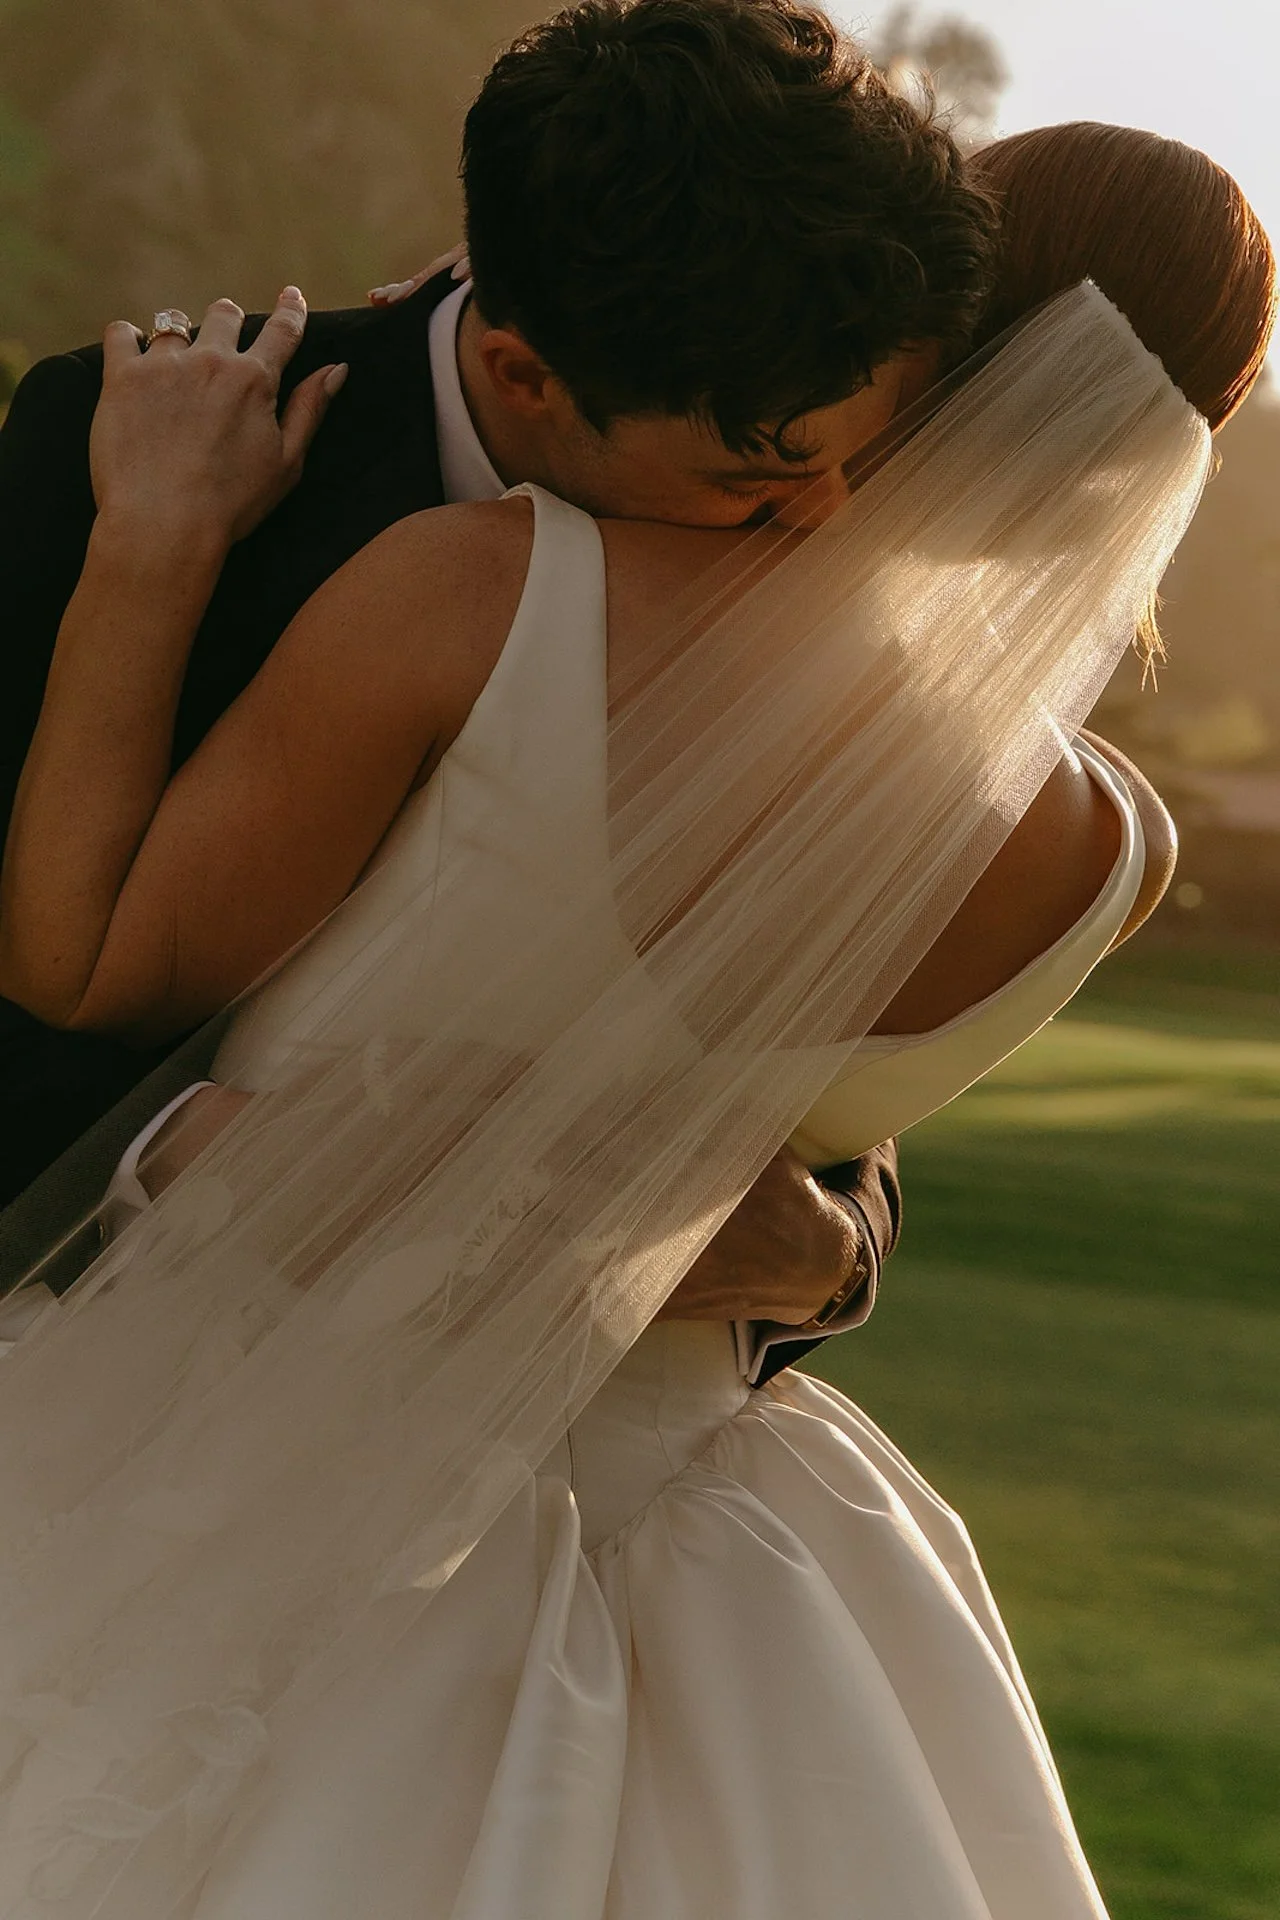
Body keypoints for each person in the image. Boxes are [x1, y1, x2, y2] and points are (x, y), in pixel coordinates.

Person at [0, 80, 1270, 1907]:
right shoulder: (1113, 854)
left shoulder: (480, 589)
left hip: (196, 1454)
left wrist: (823, 1248)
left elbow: (81, 962)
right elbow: (762, 1080)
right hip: (719, 1550)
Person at [0, 2, 1000, 1382]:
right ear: (524, 372)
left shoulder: (797, 533)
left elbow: (812, 1021)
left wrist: (835, 1254)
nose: (825, 526)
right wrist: (184, 1160)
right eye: (753, 479)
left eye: (855, 464)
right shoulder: (123, 455)